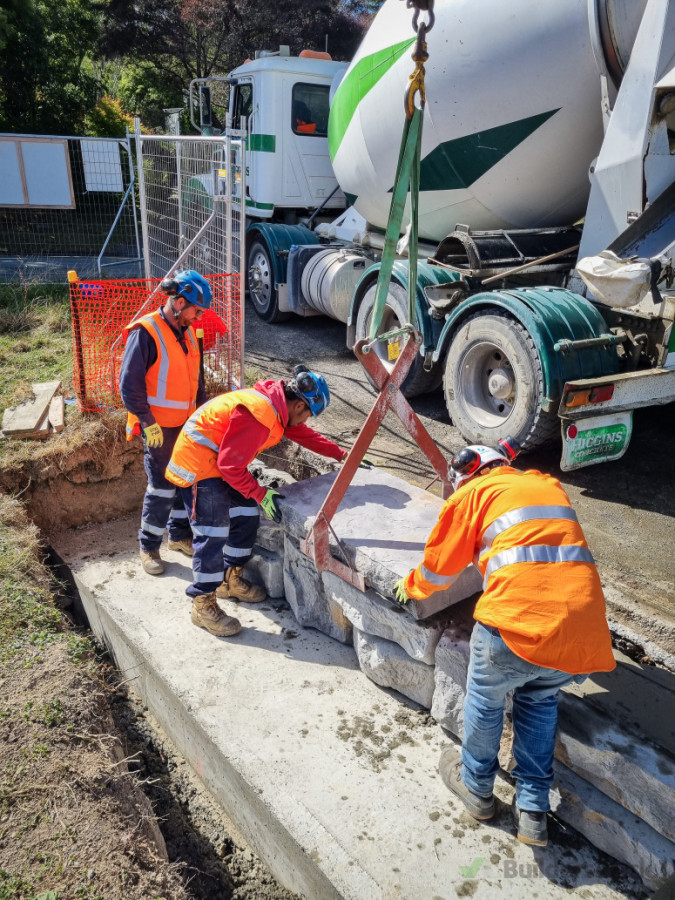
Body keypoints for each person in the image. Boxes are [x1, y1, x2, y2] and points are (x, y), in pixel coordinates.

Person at [393, 438, 615, 847]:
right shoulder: (546, 485)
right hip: (579, 632)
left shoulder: (473, 493)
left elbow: (439, 572)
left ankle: (476, 788)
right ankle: (532, 812)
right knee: (539, 701)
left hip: (514, 626)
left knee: (486, 698)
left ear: (469, 471)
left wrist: (409, 586)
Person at [165, 365, 353, 638]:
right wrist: (261, 493)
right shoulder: (260, 414)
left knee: (246, 513)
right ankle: (202, 604)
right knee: (212, 532)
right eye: (308, 415)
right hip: (200, 466)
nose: (306, 422)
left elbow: (302, 434)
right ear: (300, 404)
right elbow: (229, 466)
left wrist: (342, 454)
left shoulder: (277, 409)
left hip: (219, 463)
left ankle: (229, 580)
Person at [120, 270, 211, 576]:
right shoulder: (146, 332)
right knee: (161, 487)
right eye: (196, 310)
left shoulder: (187, 332)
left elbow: (196, 380)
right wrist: (147, 422)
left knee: (184, 479)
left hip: (186, 425)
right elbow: (129, 386)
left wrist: (200, 416)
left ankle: (179, 535)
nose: (198, 317)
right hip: (158, 428)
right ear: (180, 302)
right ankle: (148, 546)